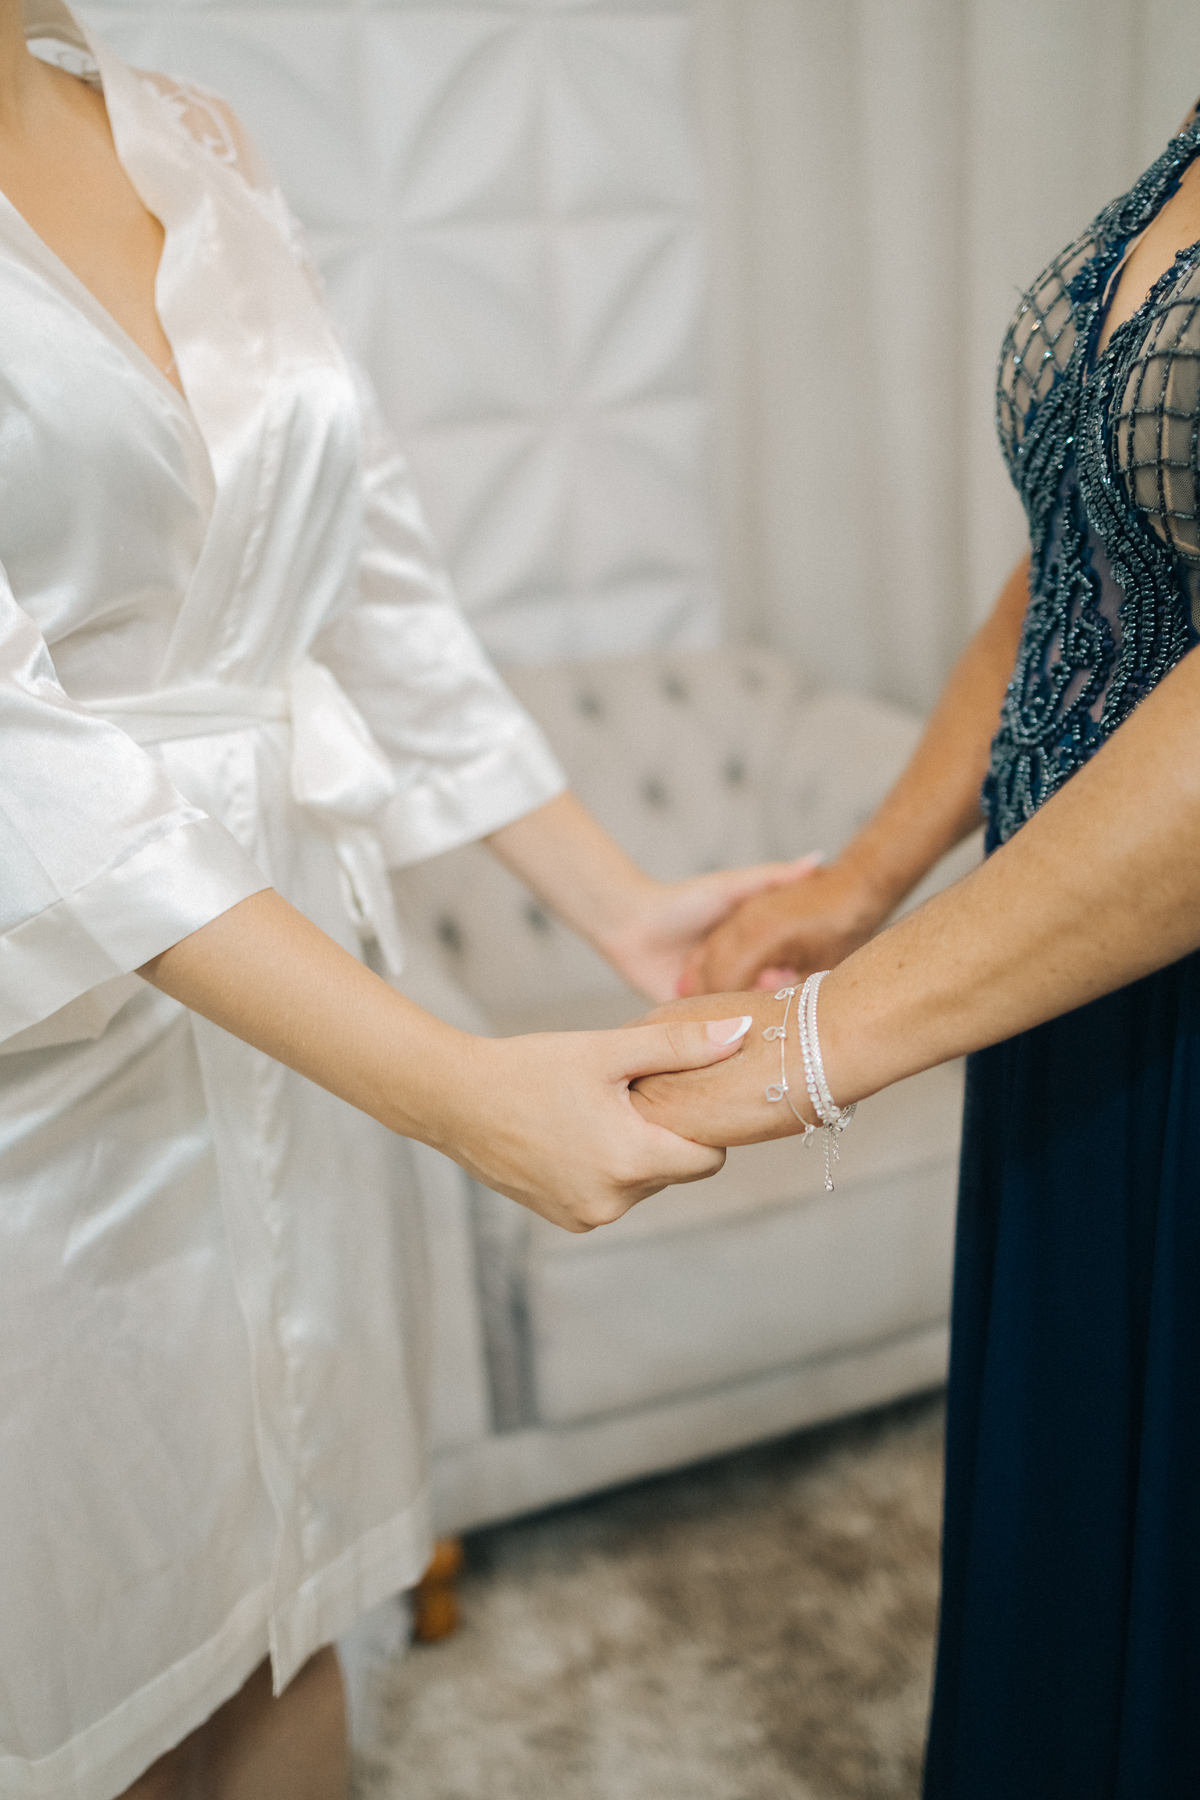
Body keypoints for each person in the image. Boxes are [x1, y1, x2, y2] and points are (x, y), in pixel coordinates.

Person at [0, 5, 815, 1795]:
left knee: (291, 1587)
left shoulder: (190, 133)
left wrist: (617, 902)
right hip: (48, 1033)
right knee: (75, 1652)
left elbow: (363, 565)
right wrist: (450, 1086)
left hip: (303, 986)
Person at [637, 90, 1200, 1800]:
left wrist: (816, 1051)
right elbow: (1091, 550)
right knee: (1070, 1513)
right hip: (1081, 968)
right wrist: (870, 872)